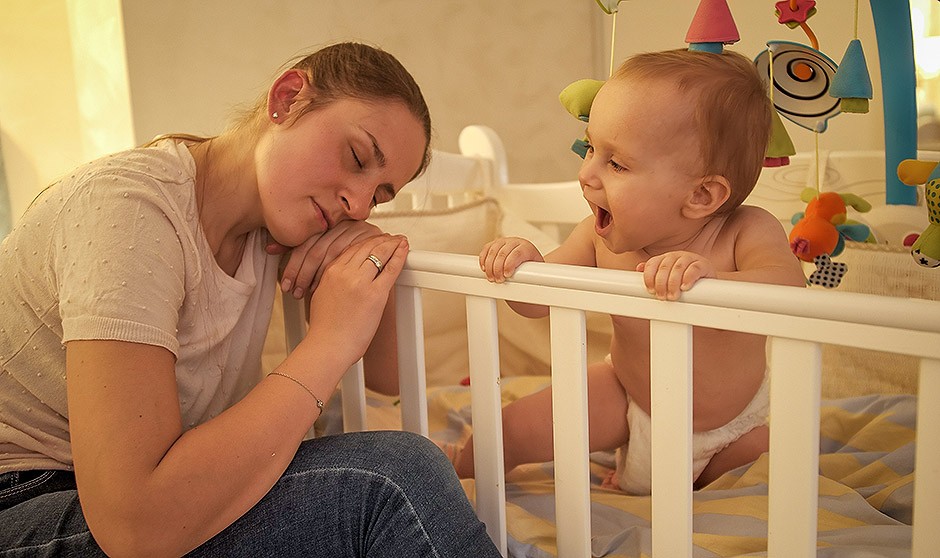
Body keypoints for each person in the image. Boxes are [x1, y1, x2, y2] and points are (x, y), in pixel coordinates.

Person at [0, 42, 500, 557]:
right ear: (287, 98)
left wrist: (372, 253)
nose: (357, 200)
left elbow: (387, 377)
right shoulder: (129, 210)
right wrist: (330, 340)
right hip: (28, 499)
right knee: (395, 480)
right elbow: (136, 525)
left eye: (379, 194)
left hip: (120, 499)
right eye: (356, 158)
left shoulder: (278, 225)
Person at [449, 49, 807, 494]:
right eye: (590, 148)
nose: (586, 174)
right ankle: (450, 474)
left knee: (784, 468)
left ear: (701, 195)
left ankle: (690, 484)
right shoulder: (596, 237)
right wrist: (522, 262)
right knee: (510, 430)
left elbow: (792, 289)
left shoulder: (744, 232)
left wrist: (712, 280)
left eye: (616, 163)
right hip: (628, 398)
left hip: (730, 430)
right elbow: (534, 302)